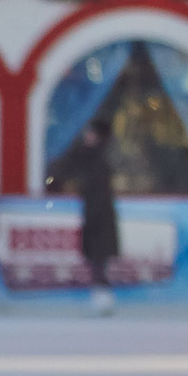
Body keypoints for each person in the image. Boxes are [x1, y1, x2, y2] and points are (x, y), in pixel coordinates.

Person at [53, 121, 121, 315]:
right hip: (94, 215)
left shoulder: (100, 160)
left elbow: (99, 192)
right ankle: (101, 296)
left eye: (90, 133)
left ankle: (103, 297)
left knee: (99, 260)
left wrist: (93, 216)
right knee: (96, 260)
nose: (86, 136)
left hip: (99, 216)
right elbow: (64, 169)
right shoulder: (86, 155)